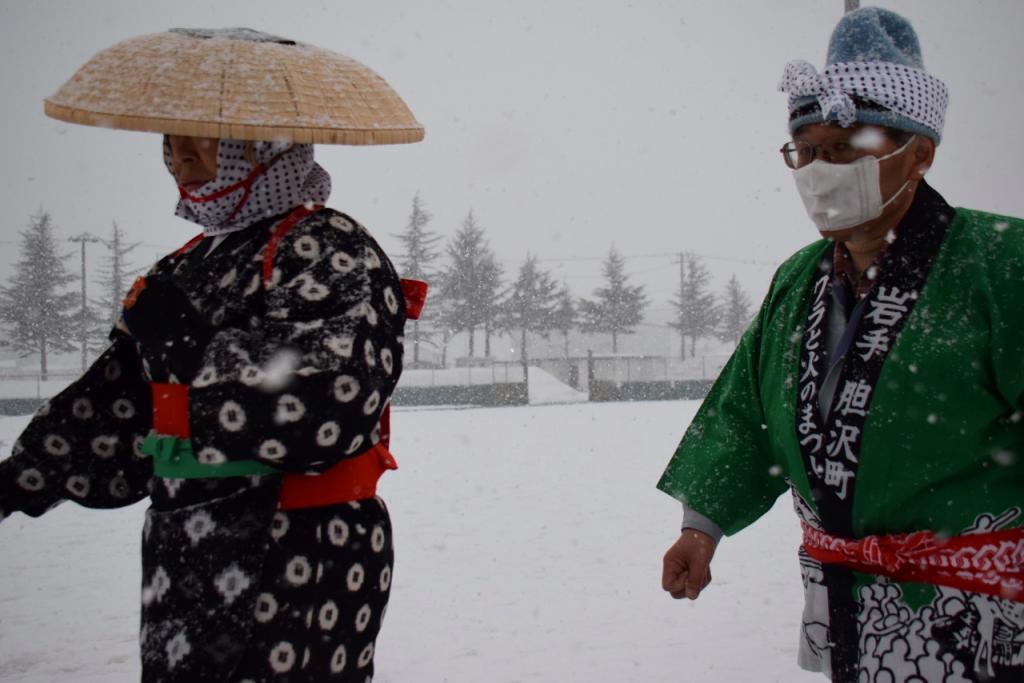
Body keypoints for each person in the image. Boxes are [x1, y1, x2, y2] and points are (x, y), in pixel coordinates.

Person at [0, 28, 425, 683]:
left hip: (301, 545)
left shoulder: (335, 251)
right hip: (185, 548)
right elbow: (119, 403)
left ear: (265, 148)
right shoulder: (185, 266)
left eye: (208, 141)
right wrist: (18, 478)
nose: (184, 159)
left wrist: (201, 351)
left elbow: (334, 401)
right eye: (173, 143)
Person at [657, 8, 1023, 682]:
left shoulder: (1000, 265)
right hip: (848, 609)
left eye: (845, 148)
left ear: (919, 153)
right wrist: (701, 526)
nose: (819, 170)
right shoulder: (799, 282)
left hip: (986, 623)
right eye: (808, 150)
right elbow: (746, 417)